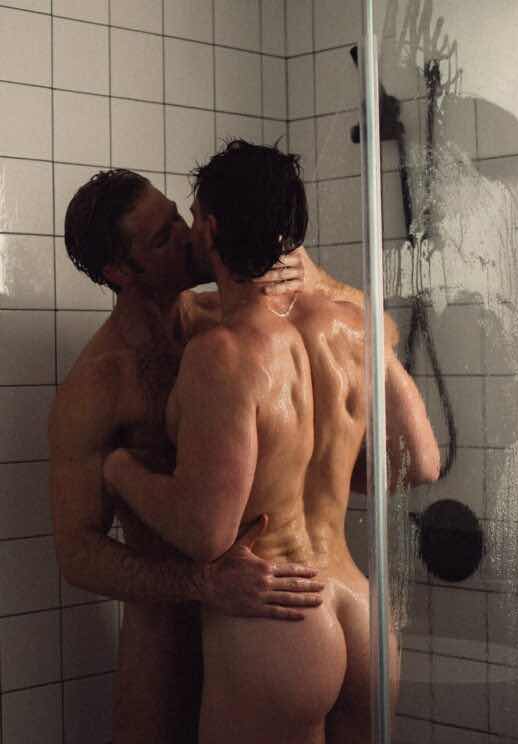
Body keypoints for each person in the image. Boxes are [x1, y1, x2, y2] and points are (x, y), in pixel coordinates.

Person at [103, 141, 440, 743]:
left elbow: (205, 531)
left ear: (211, 229)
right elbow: (422, 461)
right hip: (361, 610)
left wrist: (122, 471)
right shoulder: (349, 326)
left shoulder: (224, 353)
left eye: (192, 218)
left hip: (280, 617)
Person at [49, 167, 360, 744]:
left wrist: (317, 278)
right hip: (166, 638)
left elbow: (362, 328)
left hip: (258, 622)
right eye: (162, 238)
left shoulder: (227, 321)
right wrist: (202, 584)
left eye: (177, 218)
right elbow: (77, 553)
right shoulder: (102, 382)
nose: (188, 237)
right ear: (121, 272)